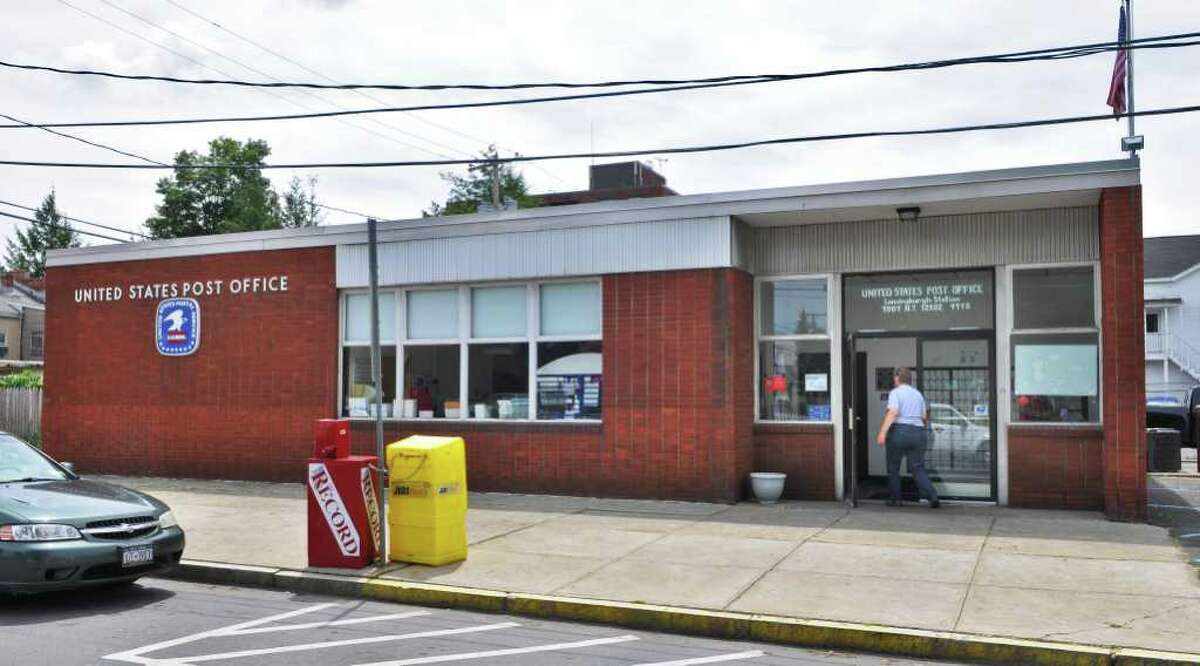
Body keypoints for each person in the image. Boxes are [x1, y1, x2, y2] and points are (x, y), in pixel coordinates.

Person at [875, 367, 940, 508]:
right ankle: (932, 496)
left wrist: (882, 432)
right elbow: (924, 417)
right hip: (918, 432)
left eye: (894, 377)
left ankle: (896, 499)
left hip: (899, 431)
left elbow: (893, 412)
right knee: (918, 468)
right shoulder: (918, 395)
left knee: (893, 467)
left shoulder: (895, 393)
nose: (894, 379)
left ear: (897, 378)